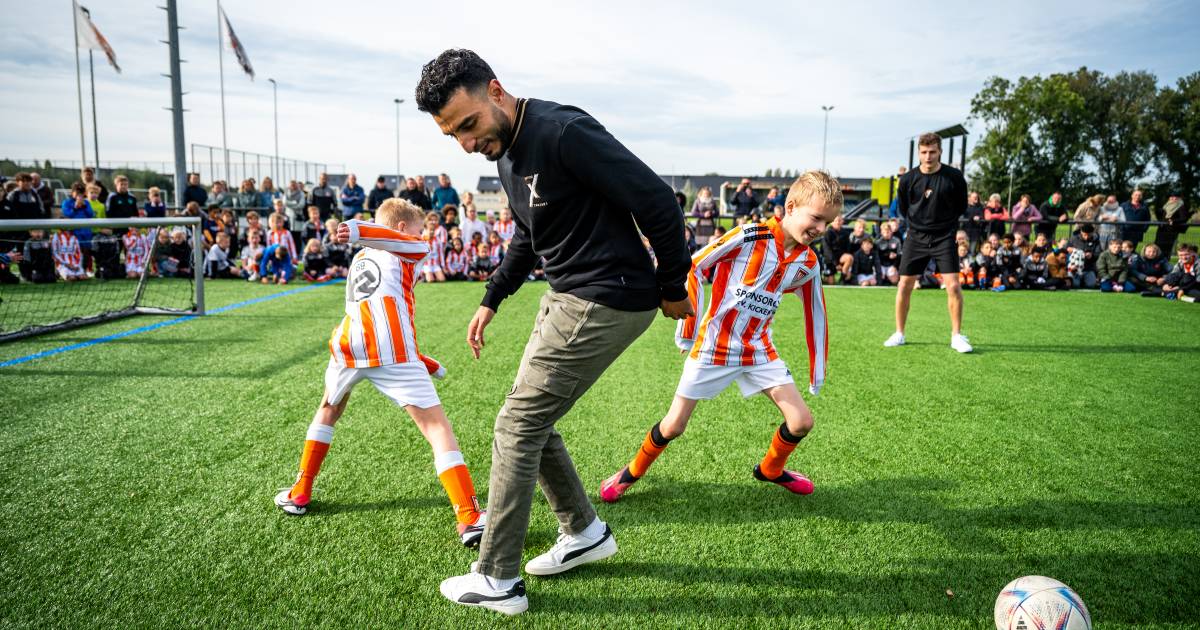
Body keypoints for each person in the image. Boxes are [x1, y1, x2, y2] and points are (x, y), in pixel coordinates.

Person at [415, 48, 692, 614]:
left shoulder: (563, 131)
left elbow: (659, 202)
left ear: (496, 91)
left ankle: (498, 578)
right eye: (453, 135)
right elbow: (528, 233)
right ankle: (584, 532)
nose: (466, 143)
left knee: (517, 425)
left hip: (604, 295)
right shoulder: (504, 150)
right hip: (569, 295)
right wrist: (492, 297)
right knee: (529, 418)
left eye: (468, 124)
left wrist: (672, 285)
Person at [600, 171, 837, 508]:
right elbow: (694, 265)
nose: (821, 228)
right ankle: (630, 473)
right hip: (714, 347)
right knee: (674, 425)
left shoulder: (808, 262)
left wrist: (817, 370)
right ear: (791, 207)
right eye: (816, 218)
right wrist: (688, 329)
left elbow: (816, 312)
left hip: (758, 350)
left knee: (801, 422)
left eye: (828, 222)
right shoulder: (749, 235)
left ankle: (771, 469)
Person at [274, 201, 489, 548]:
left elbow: (375, 306)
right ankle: (469, 515)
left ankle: (300, 490)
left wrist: (420, 358)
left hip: (348, 343)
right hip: (390, 347)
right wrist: (357, 229)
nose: (422, 236)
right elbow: (394, 268)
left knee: (328, 408)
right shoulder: (410, 248)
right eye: (417, 229)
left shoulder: (361, 258)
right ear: (402, 229)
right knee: (436, 427)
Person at [884, 132, 972, 353]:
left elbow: (961, 206)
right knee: (904, 285)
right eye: (924, 152)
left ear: (940, 151)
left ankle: (956, 336)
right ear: (919, 153)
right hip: (916, 237)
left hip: (944, 237)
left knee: (953, 286)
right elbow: (904, 208)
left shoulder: (954, 177)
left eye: (932, 152)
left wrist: (945, 225)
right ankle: (899, 333)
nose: (928, 156)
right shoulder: (908, 179)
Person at [1067, 223, 1101, 288]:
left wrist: (1091, 255)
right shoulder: (1073, 238)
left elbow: (1098, 254)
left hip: (1088, 269)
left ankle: (1083, 280)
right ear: (1081, 232)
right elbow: (1065, 249)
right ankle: (1079, 281)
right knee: (1075, 285)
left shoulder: (1096, 240)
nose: (1086, 237)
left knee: (1091, 285)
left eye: (1089, 235)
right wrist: (1069, 249)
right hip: (1074, 268)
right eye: (1085, 235)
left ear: (1092, 233)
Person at [875, 221, 902, 286]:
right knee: (878, 281)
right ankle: (884, 278)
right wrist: (887, 255)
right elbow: (876, 256)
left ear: (891, 231)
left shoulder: (897, 241)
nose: (886, 233)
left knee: (895, 281)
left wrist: (895, 264)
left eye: (888, 231)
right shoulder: (878, 242)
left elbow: (900, 254)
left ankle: (888, 278)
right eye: (884, 232)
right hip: (881, 264)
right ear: (881, 232)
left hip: (892, 265)